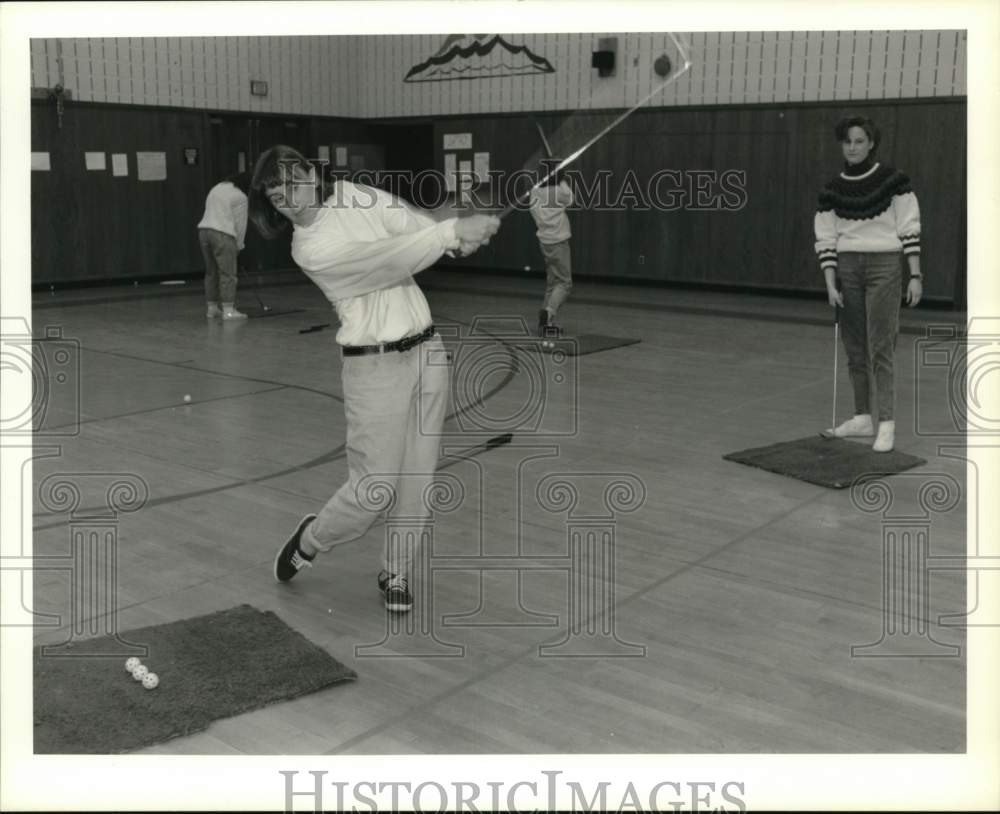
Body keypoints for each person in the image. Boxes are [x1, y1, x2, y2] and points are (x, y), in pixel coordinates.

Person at [249, 145, 500, 612]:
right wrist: (447, 233)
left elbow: (408, 226)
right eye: (276, 193)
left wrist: (453, 238)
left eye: (294, 179)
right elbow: (386, 260)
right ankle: (311, 538)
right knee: (373, 490)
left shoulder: (352, 195)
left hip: (428, 353)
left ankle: (396, 570)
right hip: (373, 368)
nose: (289, 195)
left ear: (311, 171)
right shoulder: (310, 249)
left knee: (417, 479)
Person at [814, 115, 922, 453]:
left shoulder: (894, 180)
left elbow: (908, 226)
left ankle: (886, 423)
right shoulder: (832, 189)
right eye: (848, 141)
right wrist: (830, 283)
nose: (853, 147)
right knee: (855, 348)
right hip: (847, 268)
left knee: (881, 348)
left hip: (885, 266)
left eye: (860, 141)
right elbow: (827, 238)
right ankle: (862, 418)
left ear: (871, 143)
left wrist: (915, 274)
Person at [528, 164, 575, 337]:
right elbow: (571, 199)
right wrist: (563, 180)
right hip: (559, 242)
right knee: (565, 283)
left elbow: (532, 210)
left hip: (545, 241)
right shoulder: (560, 191)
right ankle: (548, 313)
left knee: (552, 282)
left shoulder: (534, 191)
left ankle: (545, 324)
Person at [197, 172, 251, 320]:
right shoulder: (241, 197)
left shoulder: (216, 188)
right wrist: (239, 246)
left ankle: (212, 309)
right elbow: (240, 224)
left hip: (203, 232)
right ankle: (228, 310)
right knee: (228, 274)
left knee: (211, 272)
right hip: (223, 234)